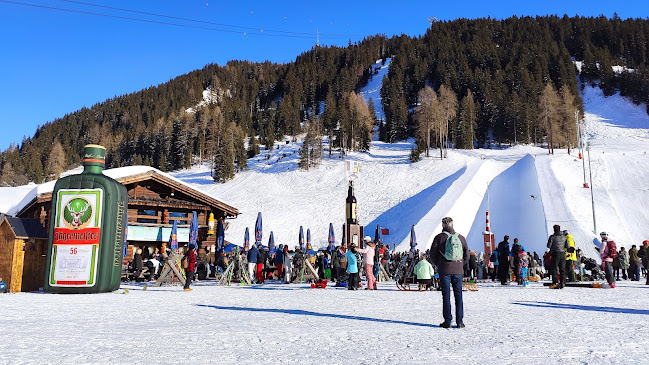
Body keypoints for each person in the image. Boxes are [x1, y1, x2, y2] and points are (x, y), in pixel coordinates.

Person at [430, 217, 469, 329]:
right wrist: (460, 265)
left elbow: (432, 254)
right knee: (459, 296)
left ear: (442, 225)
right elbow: (466, 254)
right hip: (458, 270)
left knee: (446, 296)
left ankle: (448, 321)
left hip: (444, 270)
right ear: (452, 224)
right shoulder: (461, 237)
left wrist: (439, 264)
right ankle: (460, 321)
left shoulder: (439, 237)